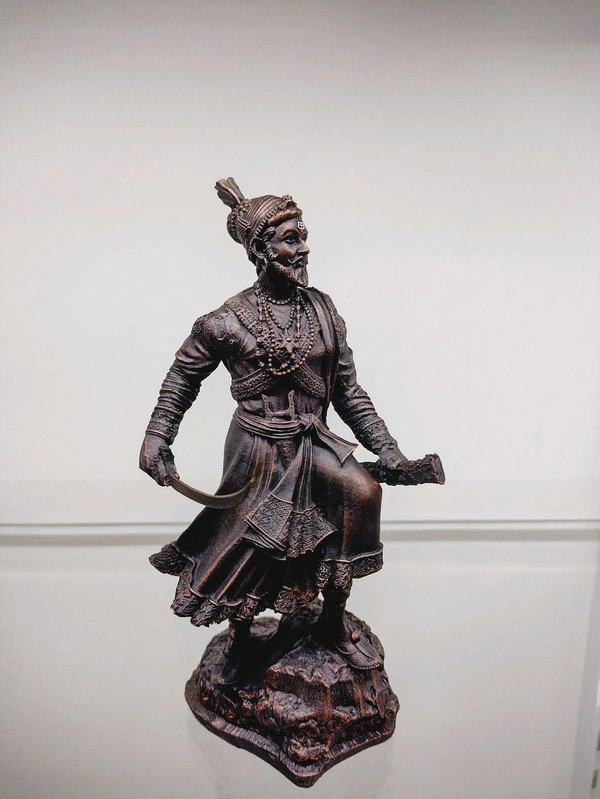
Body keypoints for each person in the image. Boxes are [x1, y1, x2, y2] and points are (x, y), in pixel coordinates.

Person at [140, 178, 408, 678]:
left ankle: (332, 621)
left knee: (362, 493)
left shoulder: (323, 311)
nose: (302, 248)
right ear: (260, 250)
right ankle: (240, 635)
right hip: (257, 449)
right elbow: (183, 376)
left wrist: (386, 447)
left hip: (314, 442)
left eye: (303, 236)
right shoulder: (226, 321)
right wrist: (158, 436)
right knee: (252, 541)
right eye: (289, 239)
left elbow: (348, 391)